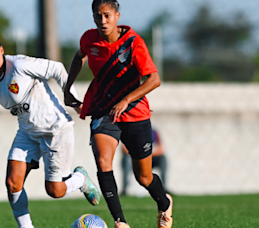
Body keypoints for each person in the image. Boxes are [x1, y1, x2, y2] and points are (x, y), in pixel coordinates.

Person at [0, 19, 100, 228]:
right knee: (12, 183)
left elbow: (57, 68)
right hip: (28, 133)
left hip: (57, 130)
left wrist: (72, 100)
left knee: (54, 191)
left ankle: (80, 179)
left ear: (1, 50)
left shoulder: (19, 65)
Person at [63, 1, 173, 228]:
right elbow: (78, 56)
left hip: (135, 114)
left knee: (143, 177)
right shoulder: (89, 39)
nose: (102, 21)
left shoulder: (133, 43)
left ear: (116, 15)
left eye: (106, 15)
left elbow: (154, 79)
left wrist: (126, 99)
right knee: (104, 162)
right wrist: (68, 88)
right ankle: (120, 222)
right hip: (103, 110)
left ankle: (164, 203)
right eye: (97, 16)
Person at [121, 129, 168, 196]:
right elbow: (124, 148)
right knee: (127, 159)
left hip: (150, 158)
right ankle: (125, 189)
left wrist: (146, 154)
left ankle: (164, 187)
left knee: (163, 159)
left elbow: (161, 149)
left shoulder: (153, 132)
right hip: (134, 158)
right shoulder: (130, 130)